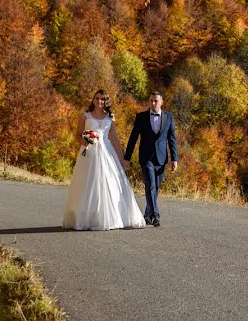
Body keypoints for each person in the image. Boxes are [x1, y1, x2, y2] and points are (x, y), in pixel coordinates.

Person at [63, 90, 146, 230]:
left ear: (106, 101)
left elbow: (113, 138)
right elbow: (77, 135)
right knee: (88, 184)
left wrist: (121, 159)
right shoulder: (85, 116)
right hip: (89, 153)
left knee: (109, 183)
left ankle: (108, 216)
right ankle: (85, 217)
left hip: (107, 153)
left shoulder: (110, 117)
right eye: (97, 98)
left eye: (102, 99)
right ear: (93, 99)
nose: (99, 101)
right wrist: (86, 141)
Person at [123, 91, 178, 227]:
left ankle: (147, 214)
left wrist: (174, 159)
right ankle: (155, 215)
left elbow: (172, 139)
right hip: (146, 157)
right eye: (151, 100)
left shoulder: (169, 117)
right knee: (151, 185)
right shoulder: (141, 117)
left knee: (155, 187)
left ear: (161, 102)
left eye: (156, 101)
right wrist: (127, 157)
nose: (153, 103)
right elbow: (133, 138)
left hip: (161, 158)